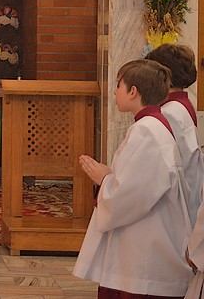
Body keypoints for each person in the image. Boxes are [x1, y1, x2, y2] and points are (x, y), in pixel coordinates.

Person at [73, 59, 193, 297]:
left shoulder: (147, 130)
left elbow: (130, 195)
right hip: (147, 242)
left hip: (144, 251)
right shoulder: (152, 125)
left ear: (133, 91)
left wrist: (104, 179)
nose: (114, 92)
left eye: (119, 85)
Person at [145, 43, 203, 225]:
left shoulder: (170, 112)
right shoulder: (181, 105)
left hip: (176, 201)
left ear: (165, 77)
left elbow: (164, 164)